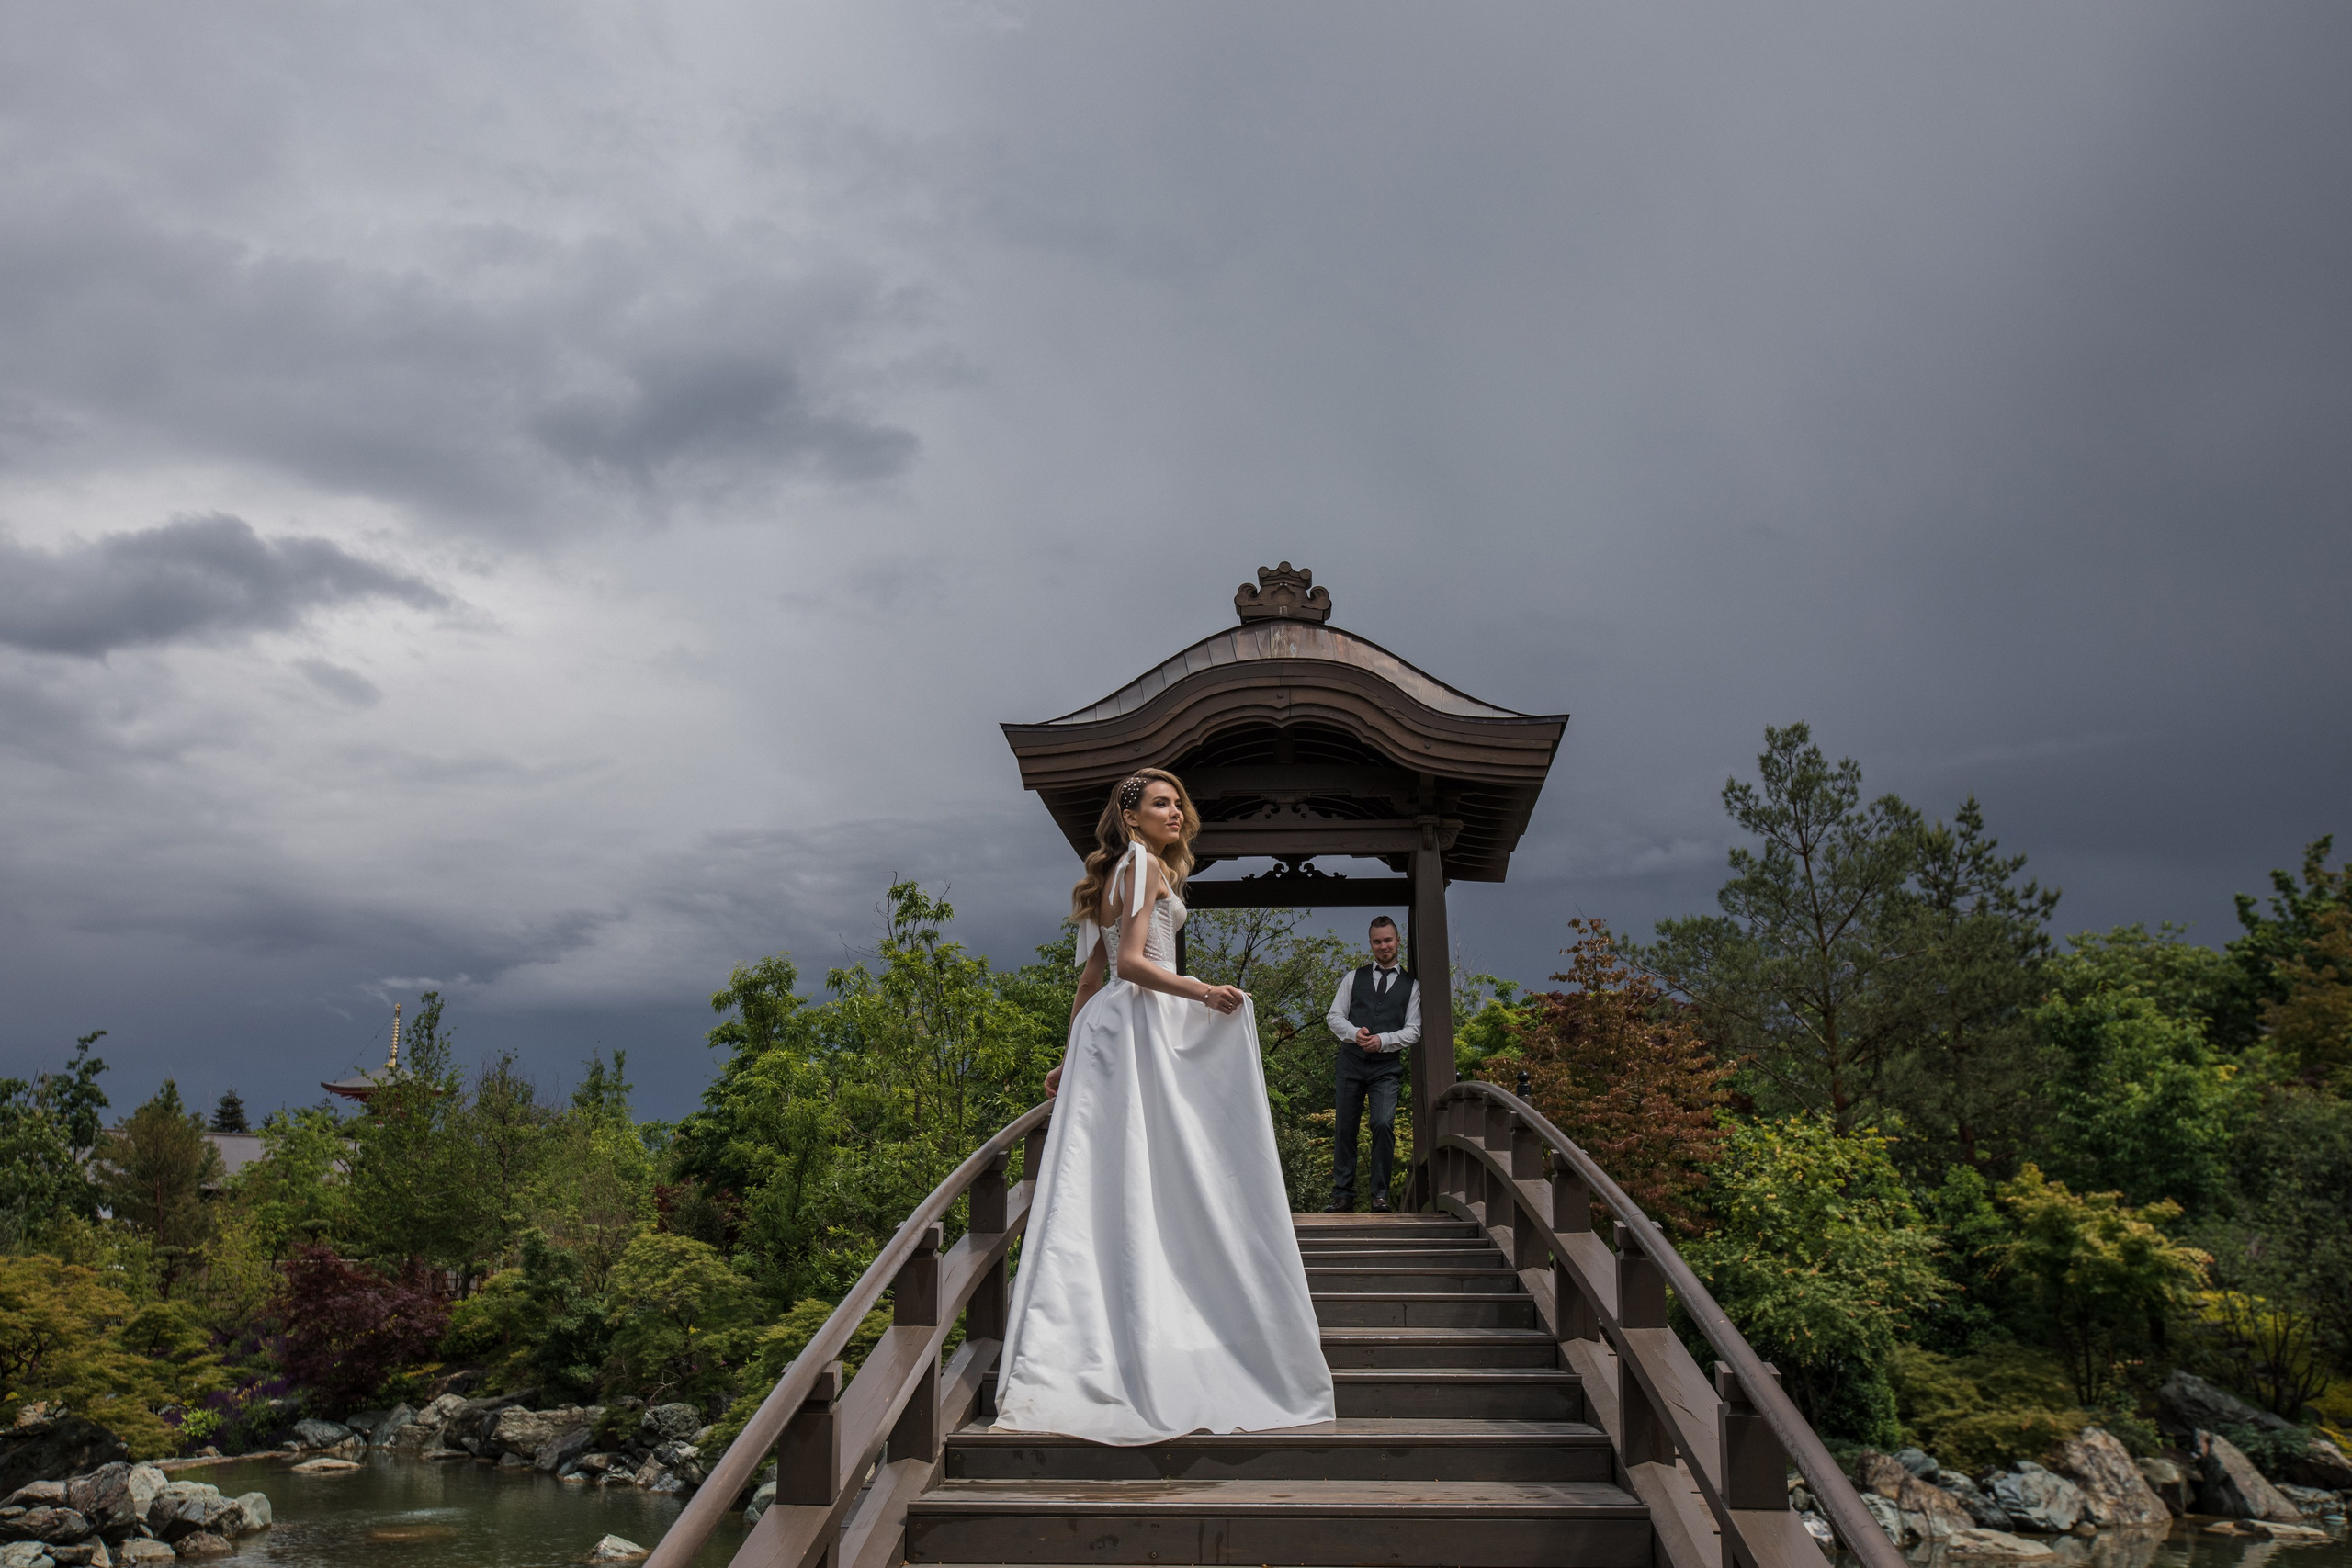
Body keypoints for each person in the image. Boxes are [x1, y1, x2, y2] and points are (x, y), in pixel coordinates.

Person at [993, 768, 1335, 1444]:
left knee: (1108, 1173)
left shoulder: (1114, 874)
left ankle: (1096, 1333)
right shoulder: (1144, 864)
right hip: (1139, 1021)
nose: (1175, 812)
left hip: (1109, 1029)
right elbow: (1128, 963)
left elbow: (1089, 979)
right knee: (1162, 1163)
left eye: (1177, 802)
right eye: (1160, 803)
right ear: (1131, 818)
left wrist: (1069, 1054)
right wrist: (1204, 991)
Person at [1323, 914, 1420, 1213]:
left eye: (1388, 940)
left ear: (1398, 941)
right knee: (1345, 1128)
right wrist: (1355, 1034)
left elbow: (1414, 1030)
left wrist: (1383, 1040)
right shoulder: (1353, 978)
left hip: (1386, 1068)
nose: (1383, 946)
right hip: (1351, 1063)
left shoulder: (1412, 986)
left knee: (1382, 1123)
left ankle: (1380, 1195)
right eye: (1377, 942)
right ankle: (1343, 1196)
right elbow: (1334, 1017)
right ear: (1370, 943)